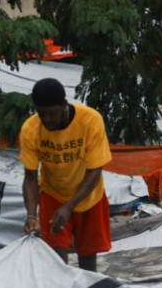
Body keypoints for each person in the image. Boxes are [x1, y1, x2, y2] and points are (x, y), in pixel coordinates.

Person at [19, 78, 112, 271]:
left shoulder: (91, 120)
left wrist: (70, 206)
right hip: (53, 195)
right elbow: (30, 177)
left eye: (51, 113)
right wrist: (31, 215)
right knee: (55, 260)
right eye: (41, 114)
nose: (46, 120)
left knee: (87, 257)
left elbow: (95, 171)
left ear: (64, 105)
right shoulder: (30, 129)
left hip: (89, 197)